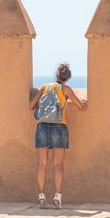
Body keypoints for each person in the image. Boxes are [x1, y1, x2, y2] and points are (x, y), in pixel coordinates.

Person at [29, 63, 87, 209]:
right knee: (58, 164)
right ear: (67, 78)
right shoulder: (65, 89)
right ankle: (57, 196)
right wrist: (84, 103)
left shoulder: (44, 87)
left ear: (56, 75)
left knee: (42, 163)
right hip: (59, 127)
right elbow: (80, 106)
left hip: (42, 127)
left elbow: (31, 106)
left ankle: (41, 195)